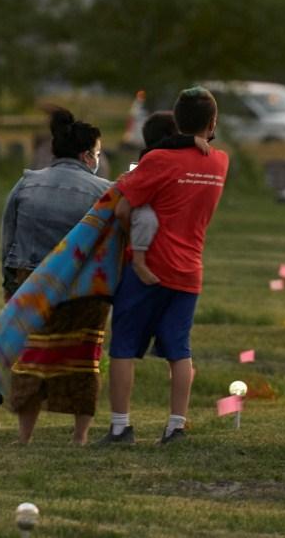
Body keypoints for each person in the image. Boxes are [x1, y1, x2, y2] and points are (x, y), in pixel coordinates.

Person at [99, 87, 229, 445]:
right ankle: (176, 426)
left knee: (124, 346)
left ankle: (121, 427)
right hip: (189, 270)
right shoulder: (220, 162)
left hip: (148, 267)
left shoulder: (158, 161)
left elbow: (123, 205)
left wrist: (132, 244)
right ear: (212, 123)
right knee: (179, 350)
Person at [0, 107, 111, 445]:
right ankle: (79, 436)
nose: (97, 158)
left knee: (32, 357)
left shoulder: (27, 182)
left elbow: (9, 236)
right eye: (97, 152)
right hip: (83, 290)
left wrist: (9, 285)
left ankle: (24, 436)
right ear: (85, 155)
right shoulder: (103, 191)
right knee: (82, 360)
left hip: (31, 282)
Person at [130, 110, 211, 285]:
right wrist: (191, 140)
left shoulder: (162, 155)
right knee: (147, 219)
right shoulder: (153, 153)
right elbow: (173, 142)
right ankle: (139, 261)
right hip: (142, 207)